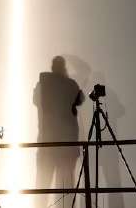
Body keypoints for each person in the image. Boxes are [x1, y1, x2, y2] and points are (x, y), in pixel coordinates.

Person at [33, 56, 83, 205]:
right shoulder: (70, 85)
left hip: (46, 143)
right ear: (64, 68)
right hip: (66, 145)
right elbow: (80, 99)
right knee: (65, 187)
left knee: (42, 185)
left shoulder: (42, 84)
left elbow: (35, 100)